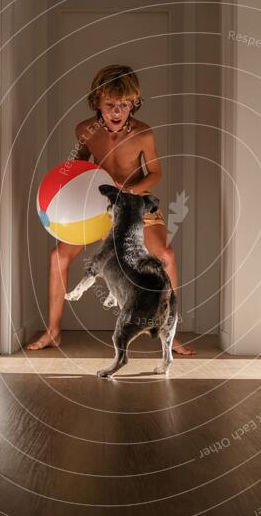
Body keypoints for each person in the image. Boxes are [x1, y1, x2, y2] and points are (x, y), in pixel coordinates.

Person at [27, 64, 195, 355]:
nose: (117, 112)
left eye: (124, 105)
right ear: (97, 103)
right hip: (98, 206)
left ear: (133, 104)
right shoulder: (84, 130)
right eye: (110, 105)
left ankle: (171, 333)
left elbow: (155, 174)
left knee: (165, 255)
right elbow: (77, 168)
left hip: (135, 201)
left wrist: (127, 190)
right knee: (58, 257)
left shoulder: (143, 134)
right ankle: (53, 332)